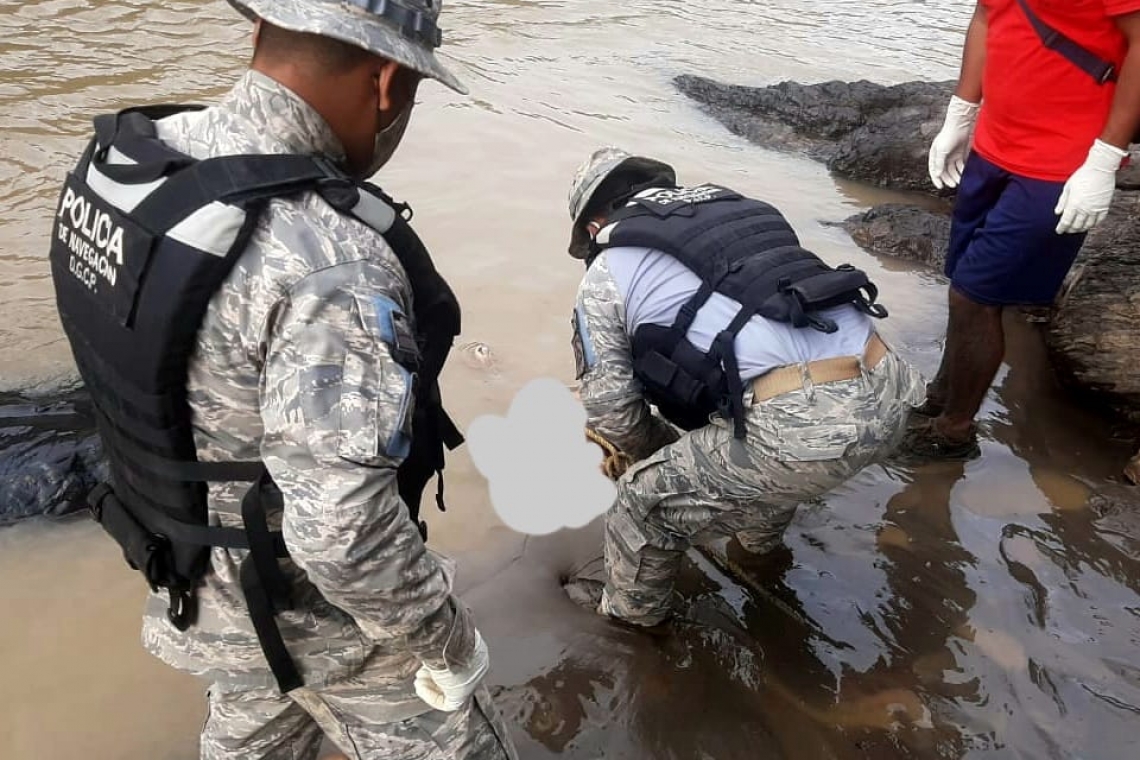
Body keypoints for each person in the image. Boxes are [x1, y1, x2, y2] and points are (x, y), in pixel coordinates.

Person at [47, 1, 518, 758]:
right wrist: (447, 639)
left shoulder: (124, 167)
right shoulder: (329, 258)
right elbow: (345, 536)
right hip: (323, 621)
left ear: (260, 29)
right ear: (387, 83)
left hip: (192, 576)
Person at [566, 147, 926, 629]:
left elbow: (613, 413)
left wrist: (657, 460)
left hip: (804, 430)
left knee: (640, 506)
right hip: (892, 385)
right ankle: (759, 553)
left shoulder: (605, 272)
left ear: (593, 226)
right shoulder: (742, 211)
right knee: (753, 429)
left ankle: (631, 626)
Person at [912, 0, 1140, 458]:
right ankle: (939, 398)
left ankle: (953, 433)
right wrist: (961, 112)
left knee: (974, 295)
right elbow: (987, 15)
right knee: (964, 283)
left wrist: (1104, 160)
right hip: (992, 145)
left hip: (1062, 162)